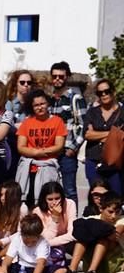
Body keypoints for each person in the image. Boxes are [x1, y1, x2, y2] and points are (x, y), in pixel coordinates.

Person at [0, 213, 66, 273]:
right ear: (21, 234)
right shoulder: (17, 238)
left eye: (33, 241)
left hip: (39, 271)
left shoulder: (43, 243)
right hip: (21, 269)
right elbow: (8, 258)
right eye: (26, 241)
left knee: (62, 270)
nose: (29, 244)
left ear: (38, 236)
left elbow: (41, 263)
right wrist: (4, 267)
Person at [16, 89, 67, 208]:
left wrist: (41, 152)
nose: (40, 107)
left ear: (47, 104)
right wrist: (37, 152)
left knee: (48, 202)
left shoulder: (57, 121)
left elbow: (59, 146)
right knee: (28, 203)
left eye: (42, 104)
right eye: (36, 105)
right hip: (30, 169)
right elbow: (21, 147)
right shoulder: (27, 123)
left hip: (48, 168)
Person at [65, 191, 123, 273]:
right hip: (92, 259)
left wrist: (94, 229)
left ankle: (92, 272)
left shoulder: (121, 219)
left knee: (103, 238)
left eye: (117, 212)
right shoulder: (92, 218)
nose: (114, 216)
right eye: (110, 212)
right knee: (82, 238)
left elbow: (115, 234)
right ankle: (72, 271)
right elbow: (77, 230)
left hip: (113, 264)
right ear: (101, 208)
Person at [48, 61, 86, 205]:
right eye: (55, 76)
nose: (57, 79)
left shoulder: (75, 98)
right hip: (51, 150)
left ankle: (73, 225)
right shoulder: (50, 99)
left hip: (66, 151)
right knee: (51, 190)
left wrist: (73, 147)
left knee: (69, 191)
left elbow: (83, 124)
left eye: (61, 76)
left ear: (67, 77)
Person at [82, 79, 122, 196]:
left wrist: (96, 133)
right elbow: (87, 134)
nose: (104, 95)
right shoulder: (92, 112)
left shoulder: (122, 112)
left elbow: (122, 136)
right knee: (97, 197)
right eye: (100, 93)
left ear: (113, 92)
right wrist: (112, 133)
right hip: (93, 160)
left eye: (107, 91)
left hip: (115, 163)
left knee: (116, 197)